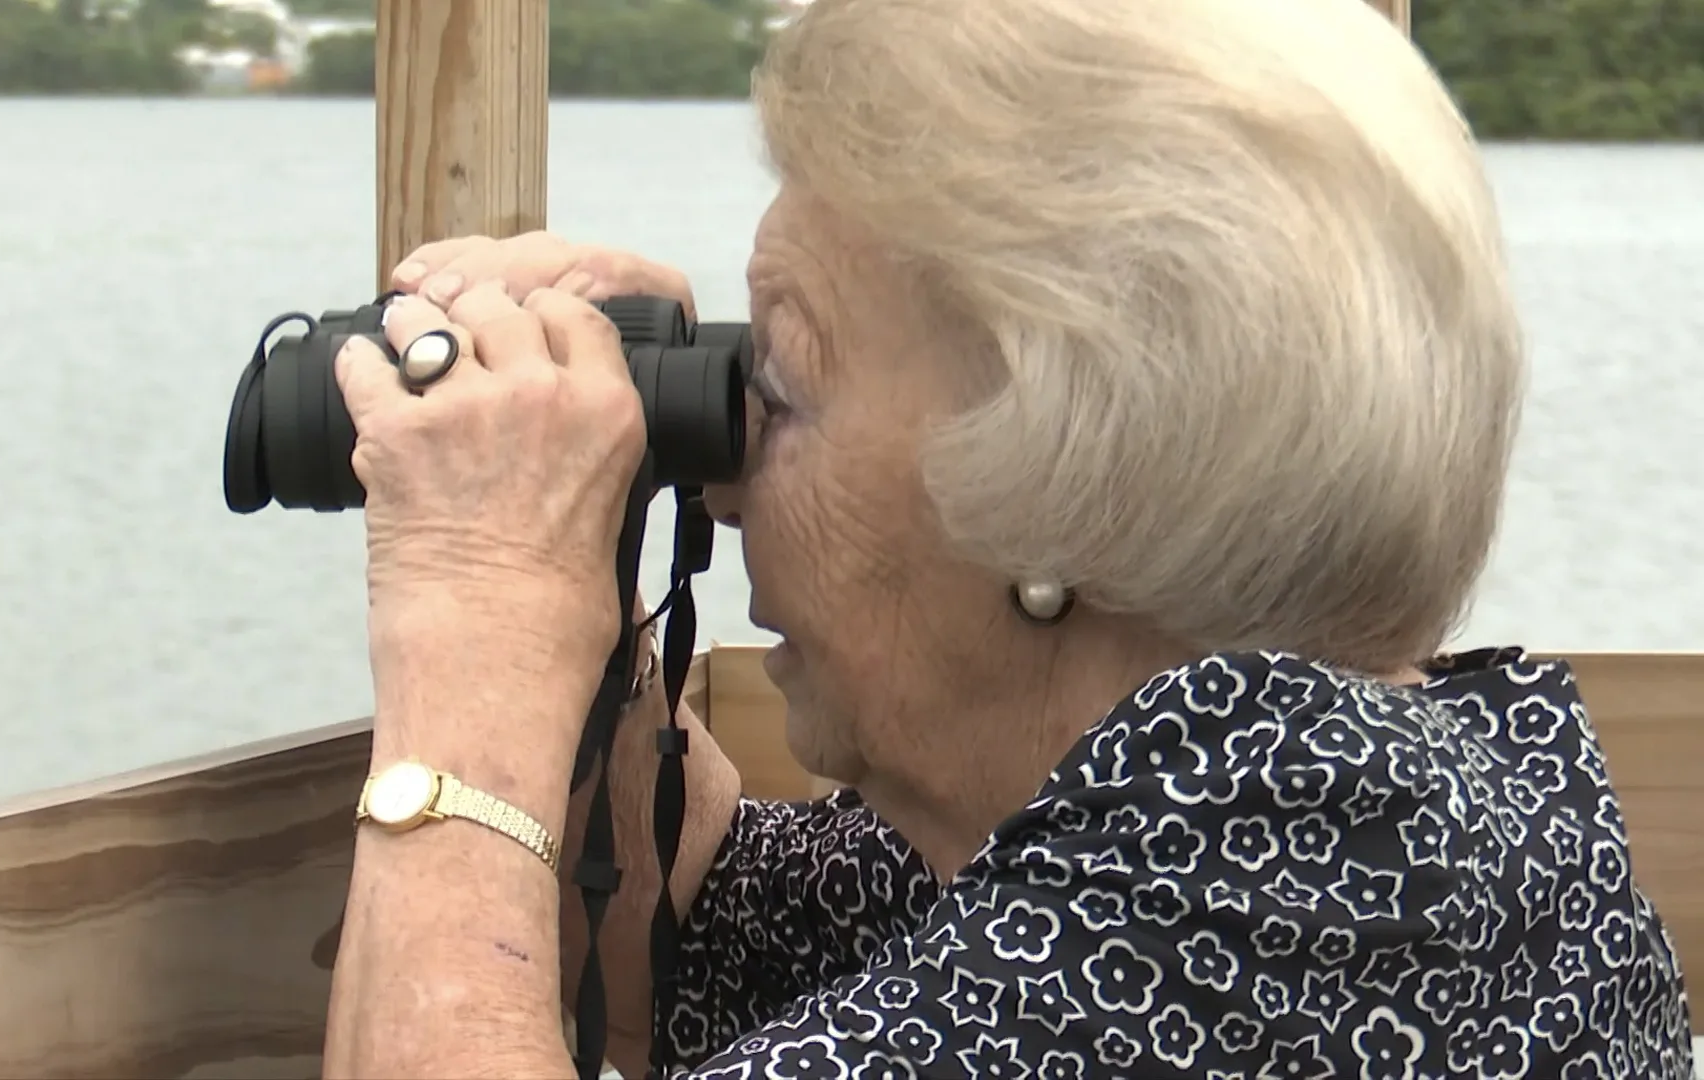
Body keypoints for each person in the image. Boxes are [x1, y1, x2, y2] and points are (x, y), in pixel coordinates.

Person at [315, 0, 1694, 1076]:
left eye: (779, 392)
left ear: (1063, 480)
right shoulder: (1325, 812)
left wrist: (475, 607)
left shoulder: (1270, 922)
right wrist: (582, 509)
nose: (725, 488)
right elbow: (708, 939)